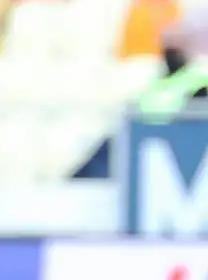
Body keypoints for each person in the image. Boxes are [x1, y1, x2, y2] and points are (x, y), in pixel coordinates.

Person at [73, 24, 208, 179]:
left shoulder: (197, 79)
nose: (170, 51)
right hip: (141, 137)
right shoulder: (157, 82)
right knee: (110, 146)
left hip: (168, 142)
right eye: (167, 45)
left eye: (175, 45)